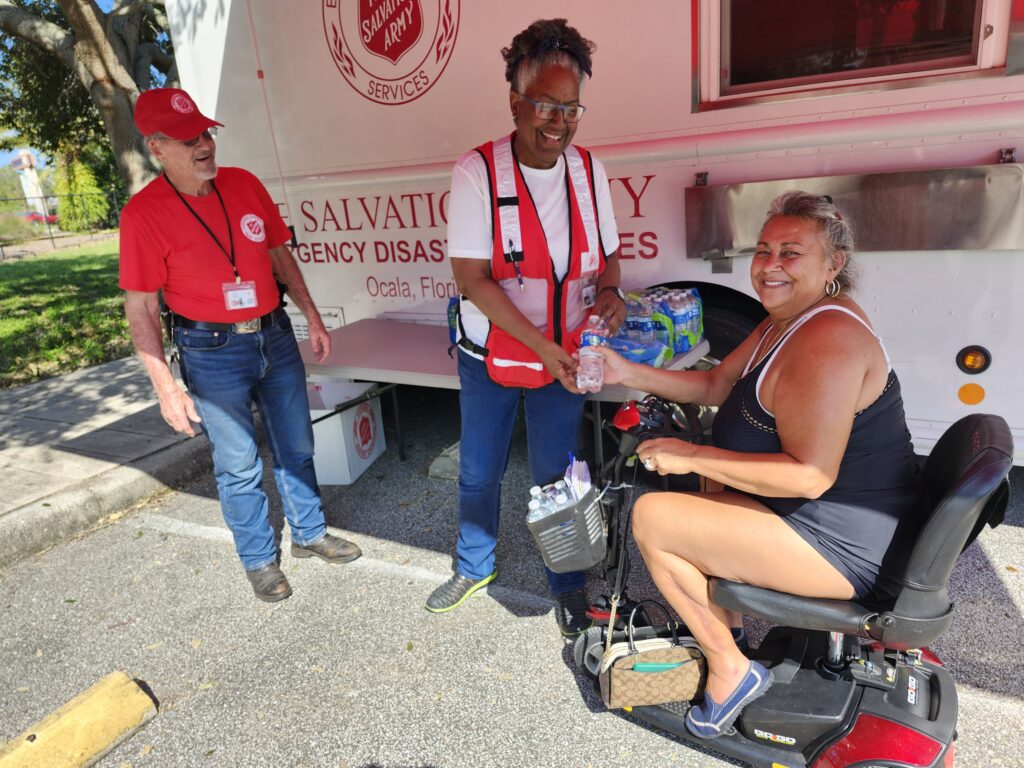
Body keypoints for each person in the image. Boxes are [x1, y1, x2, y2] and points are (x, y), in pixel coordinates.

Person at [599, 191, 923, 737]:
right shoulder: (786, 320)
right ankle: (732, 640)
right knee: (701, 493)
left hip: (844, 546)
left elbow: (810, 475)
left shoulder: (827, 339)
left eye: (791, 252)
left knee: (654, 518)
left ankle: (731, 669)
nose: (770, 265)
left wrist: (691, 452)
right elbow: (712, 383)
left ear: (833, 264)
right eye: (763, 249)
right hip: (825, 519)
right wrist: (622, 370)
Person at [119, 88, 361, 603]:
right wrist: (165, 387)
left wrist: (311, 317)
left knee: (296, 443)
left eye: (206, 132)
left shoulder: (244, 184)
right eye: (189, 139)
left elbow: (279, 255)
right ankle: (258, 559)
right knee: (238, 463)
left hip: (273, 332)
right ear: (157, 147)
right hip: (210, 350)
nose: (205, 144)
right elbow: (139, 307)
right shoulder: (143, 215)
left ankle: (310, 533)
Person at [426, 19, 626, 637]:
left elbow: (609, 252)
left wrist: (612, 292)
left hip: (564, 355)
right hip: (493, 353)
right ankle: (474, 563)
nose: (558, 122)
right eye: (545, 104)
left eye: (571, 108)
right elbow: (473, 279)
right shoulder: (476, 173)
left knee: (557, 473)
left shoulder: (589, 170)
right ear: (516, 102)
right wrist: (540, 344)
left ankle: (566, 580)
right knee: (480, 468)